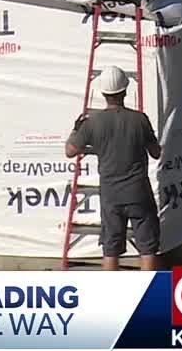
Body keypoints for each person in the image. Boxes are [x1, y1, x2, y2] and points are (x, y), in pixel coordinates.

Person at [65, 66, 162, 271]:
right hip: (139, 193)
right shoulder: (140, 119)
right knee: (147, 249)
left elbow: (70, 151)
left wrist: (76, 129)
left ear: (102, 92)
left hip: (111, 197)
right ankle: (151, 297)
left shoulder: (93, 123)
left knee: (110, 250)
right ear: (125, 91)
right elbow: (156, 153)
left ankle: (110, 299)